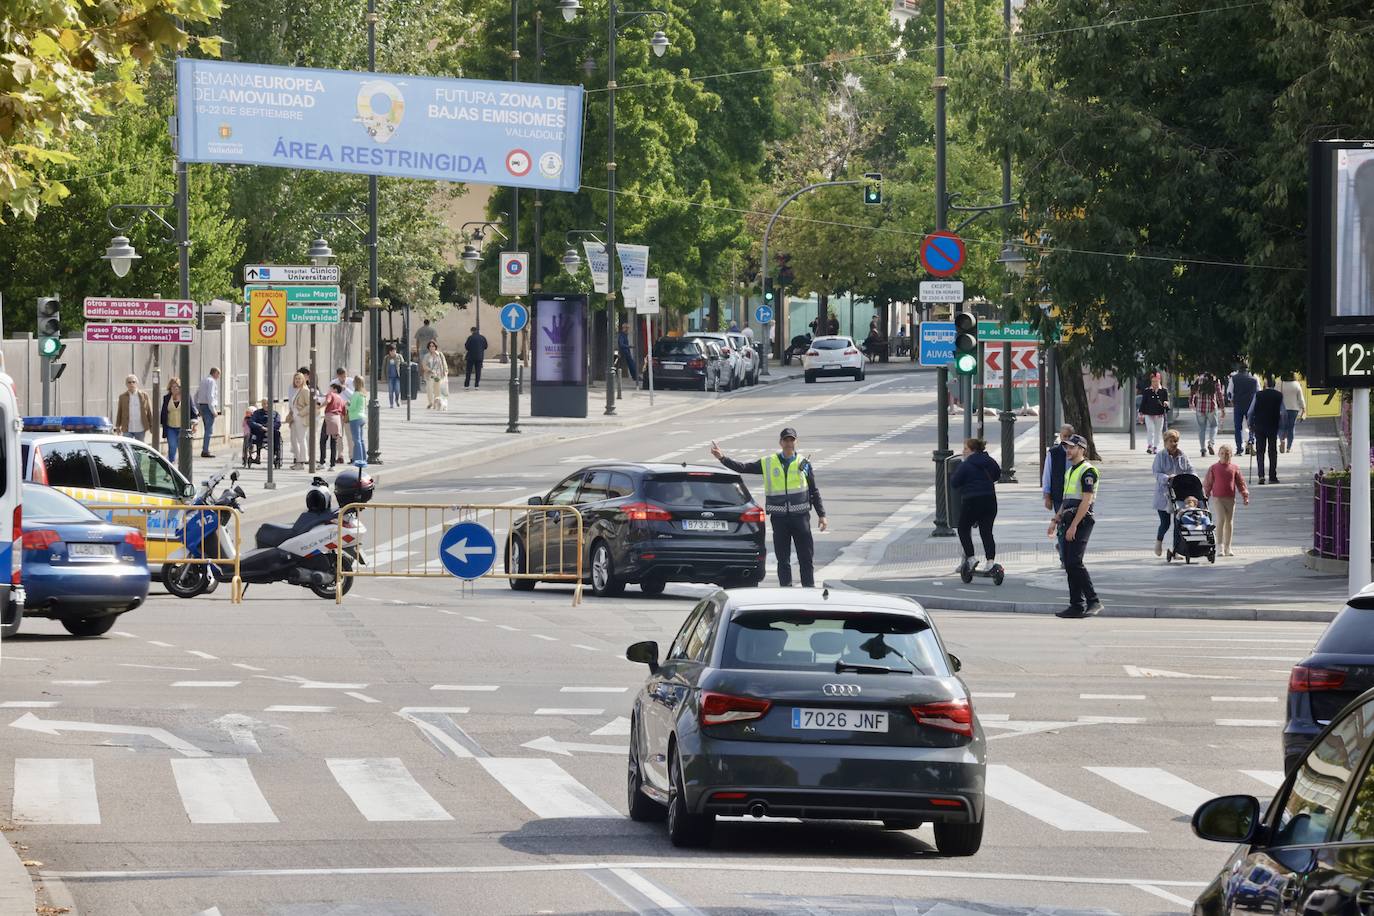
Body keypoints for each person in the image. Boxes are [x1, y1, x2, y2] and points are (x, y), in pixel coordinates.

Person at [710, 428, 828, 588]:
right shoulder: (768, 462)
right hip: (780, 519)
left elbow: (813, 490)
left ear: (796, 442)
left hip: (801, 518)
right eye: (786, 440)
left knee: (806, 558)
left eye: (791, 440)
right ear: (780, 442)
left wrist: (821, 515)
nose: (788, 443)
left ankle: (809, 590)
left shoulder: (803, 463)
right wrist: (722, 458)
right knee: (783, 560)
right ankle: (786, 590)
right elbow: (743, 467)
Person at [1052, 435, 1103, 618]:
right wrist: (1055, 520)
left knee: (1075, 561)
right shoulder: (1071, 470)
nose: (1068, 451)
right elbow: (1066, 500)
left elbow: (1086, 500)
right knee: (1068, 563)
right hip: (1068, 519)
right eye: (1066, 447)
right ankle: (1076, 605)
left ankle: (1093, 600)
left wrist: (1074, 525)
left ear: (1082, 449)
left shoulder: (1088, 471)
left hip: (1082, 519)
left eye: (1071, 448)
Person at [950, 437, 1001, 578]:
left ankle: (971, 558)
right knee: (986, 532)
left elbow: (954, 483)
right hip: (990, 499)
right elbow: (997, 474)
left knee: (963, 528)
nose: (963, 452)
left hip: (972, 500)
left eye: (965, 449)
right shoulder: (989, 461)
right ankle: (990, 562)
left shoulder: (965, 465)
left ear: (972, 450)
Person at [1203, 443, 1249, 556]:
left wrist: (1245, 495)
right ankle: (1219, 546)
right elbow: (1208, 483)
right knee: (1221, 520)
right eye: (1222, 453)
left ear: (1231, 455)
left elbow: (1240, 483)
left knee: (1229, 521)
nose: (1224, 456)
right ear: (1218, 454)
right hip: (1218, 498)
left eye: (1227, 454)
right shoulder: (1214, 468)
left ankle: (1228, 546)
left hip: (1230, 498)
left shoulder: (1234, 468)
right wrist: (1205, 497)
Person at [1152, 429, 1192, 556]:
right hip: (1164, 495)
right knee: (1165, 523)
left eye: (1176, 441)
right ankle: (1159, 541)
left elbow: (1191, 470)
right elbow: (1156, 473)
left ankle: (1176, 550)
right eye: (1171, 441)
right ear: (1165, 443)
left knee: (1178, 522)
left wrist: (1192, 478)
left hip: (1179, 494)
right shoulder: (1160, 456)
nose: (1174, 443)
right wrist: (1167, 478)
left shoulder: (1183, 456)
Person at [1248, 376, 1285, 484]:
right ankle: (1272, 476)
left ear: (1265, 384)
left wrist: (1250, 424)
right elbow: (1283, 413)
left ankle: (1261, 476)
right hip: (1273, 425)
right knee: (1272, 451)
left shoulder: (1258, 395)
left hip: (1259, 426)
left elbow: (1250, 412)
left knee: (1260, 451)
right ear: (1274, 384)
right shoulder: (1279, 395)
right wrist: (1282, 428)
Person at [1190, 372, 1222, 457]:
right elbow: (1219, 394)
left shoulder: (1198, 379)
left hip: (1200, 408)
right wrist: (1222, 408)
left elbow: (1193, 391)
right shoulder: (1215, 380)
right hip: (1211, 407)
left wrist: (1191, 402)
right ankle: (1211, 443)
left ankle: (1203, 449)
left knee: (1201, 428)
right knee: (1214, 426)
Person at [1229, 365, 1259, 454]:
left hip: (1238, 405)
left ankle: (1239, 448)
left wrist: (1231, 401)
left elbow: (1229, 392)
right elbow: (1258, 391)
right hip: (1251, 405)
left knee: (1238, 427)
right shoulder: (1254, 378)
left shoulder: (1234, 378)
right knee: (1251, 426)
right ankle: (1250, 441)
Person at [114, 374, 153, 442]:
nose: (131, 384)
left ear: (137, 383)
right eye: (129, 382)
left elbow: (149, 411)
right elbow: (119, 412)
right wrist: (118, 426)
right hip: (127, 428)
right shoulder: (122, 397)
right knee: (127, 447)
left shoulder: (144, 395)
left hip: (140, 428)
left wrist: (152, 425)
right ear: (126, 384)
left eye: (133, 382)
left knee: (140, 449)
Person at [1139, 373, 1170, 455]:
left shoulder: (1164, 390)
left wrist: (1166, 403)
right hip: (1148, 414)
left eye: (1156, 381)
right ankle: (1150, 446)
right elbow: (1143, 403)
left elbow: (1166, 401)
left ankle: (1155, 447)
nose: (1154, 383)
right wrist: (1141, 413)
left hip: (1159, 414)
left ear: (1159, 380)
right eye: (1153, 381)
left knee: (1158, 431)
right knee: (1150, 429)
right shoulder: (1147, 391)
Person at [286, 371, 311, 469]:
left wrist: (301, 413)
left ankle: (302, 461)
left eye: (299, 379)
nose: (297, 381)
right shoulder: (296, 390)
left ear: (303, 380)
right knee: (293, 440)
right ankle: (297, 459)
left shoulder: (305, 390)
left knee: (301, 439)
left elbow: (309, 405)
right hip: (294, 418)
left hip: (301, 418)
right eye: (296, 379)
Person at [194, 368, 221, 458]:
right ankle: (205, 450)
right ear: (215, 373)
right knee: (209, 430)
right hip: (208, 407)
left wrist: (197, 408)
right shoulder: (212, 381)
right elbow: (210, 396)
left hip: (202, 406)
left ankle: (205, 449)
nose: (219, 376)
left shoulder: (203, 380)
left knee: (207, 429)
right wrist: (213, 410)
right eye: (218, 374)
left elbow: (196, 395)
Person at [248, 398, 282, 467]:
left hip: (272, 430)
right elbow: (251, 422)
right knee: (258, 432)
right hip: (260, 430)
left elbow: (278, 423)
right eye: (264, 404)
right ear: (262, 405)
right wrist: (261, 427)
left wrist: (270, 428)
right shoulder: (257, 413)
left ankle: (276, 455)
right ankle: (258, 455)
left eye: (268, 404)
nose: (266, 405)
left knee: (277, 433)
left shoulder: (275, 414)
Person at [1280, 374, 1307, 454]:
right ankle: (1289, 447)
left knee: (1282, 427)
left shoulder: (1281, 384)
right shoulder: (1296, 384)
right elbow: (1301, 399)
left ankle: (1282, 440)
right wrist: (1304, 409)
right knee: (1291, 428)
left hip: (1283, 409)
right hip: (1294, 409)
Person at [160, 377, 184, 463]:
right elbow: (163, 412)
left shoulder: (185, 397)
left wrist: (194, 423)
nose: (175, 388)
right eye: (173, 387)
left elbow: (193, 410)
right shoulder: (167, 398)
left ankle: (182, 466)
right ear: (170, 388)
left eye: (177, 386)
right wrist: (162, 424)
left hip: (183, 428)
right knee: (172, 446)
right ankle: (171, 465)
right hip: (171, 427)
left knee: (182, 448)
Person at [322, 383, 347, 467]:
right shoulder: (341, 399)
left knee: (323, 440)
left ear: (335, 389)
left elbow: (327, 401)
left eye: (331, 388)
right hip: (337, 419)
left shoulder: (331, 394)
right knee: (334, 442)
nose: (329, 390)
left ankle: (322, 462)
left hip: (329, 418)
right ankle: (332, 464)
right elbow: (344, 412)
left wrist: (319, 407)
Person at [422, 340, 448, 409]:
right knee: (429, 389)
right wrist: (430, 370)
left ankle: (436, 404)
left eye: (433, 346)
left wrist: (445, 371)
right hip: (430, 375)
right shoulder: (426, 356)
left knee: (437, 390)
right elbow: (424, 365)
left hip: (438, 375)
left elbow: (444, 363)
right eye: (430, 346)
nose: (431, 347)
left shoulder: (439, 354)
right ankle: (431, 402)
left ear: (435, 347)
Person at [347, 376, 367, 464]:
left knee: (356, 440)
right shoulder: (363, 394)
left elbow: (352, 408)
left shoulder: (356, 394)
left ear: (356, 383)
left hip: (355, 418)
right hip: (362, 417)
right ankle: (363, 458)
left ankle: (358, 459)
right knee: (361, 439)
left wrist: (346, 405)